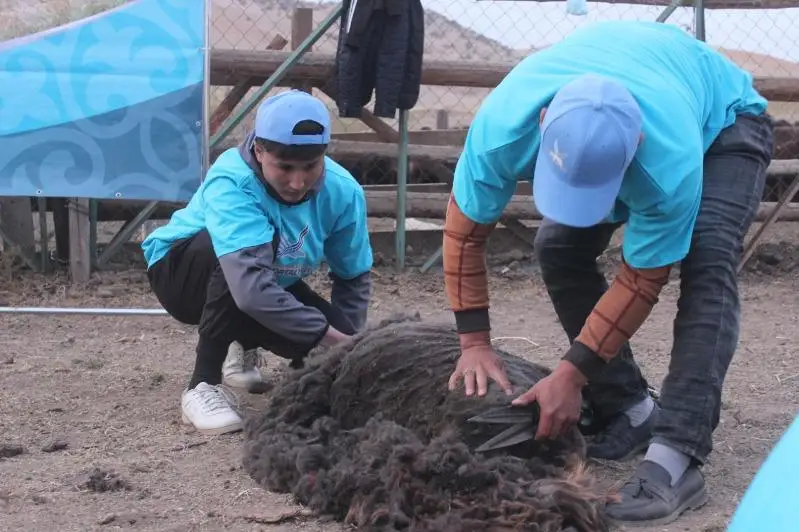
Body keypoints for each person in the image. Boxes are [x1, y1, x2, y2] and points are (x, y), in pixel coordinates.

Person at [442, 20, 774, 526]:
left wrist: (570, 374)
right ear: (544, 121)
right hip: (641, 91)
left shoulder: (668, 163)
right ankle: (631, 409)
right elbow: (465, 234)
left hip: (725, 125)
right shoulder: (501, 128)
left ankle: (676, 456)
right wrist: (474, 343)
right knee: (557, 244)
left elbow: (641, 280)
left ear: (634, 144)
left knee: (708, 264)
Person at [141, 90, 374, 436]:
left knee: (333, 350)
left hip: (266, 279)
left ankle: (241, 342)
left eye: (310, 166)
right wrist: (326, 335)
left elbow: (352, 277)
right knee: (236, 261)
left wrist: (346, 346)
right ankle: (202, 385)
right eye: (284, 167)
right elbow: (250, 290)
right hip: (181, 275)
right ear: (259, 150)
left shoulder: (343, 191)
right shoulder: (233, 180)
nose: (298, 182)